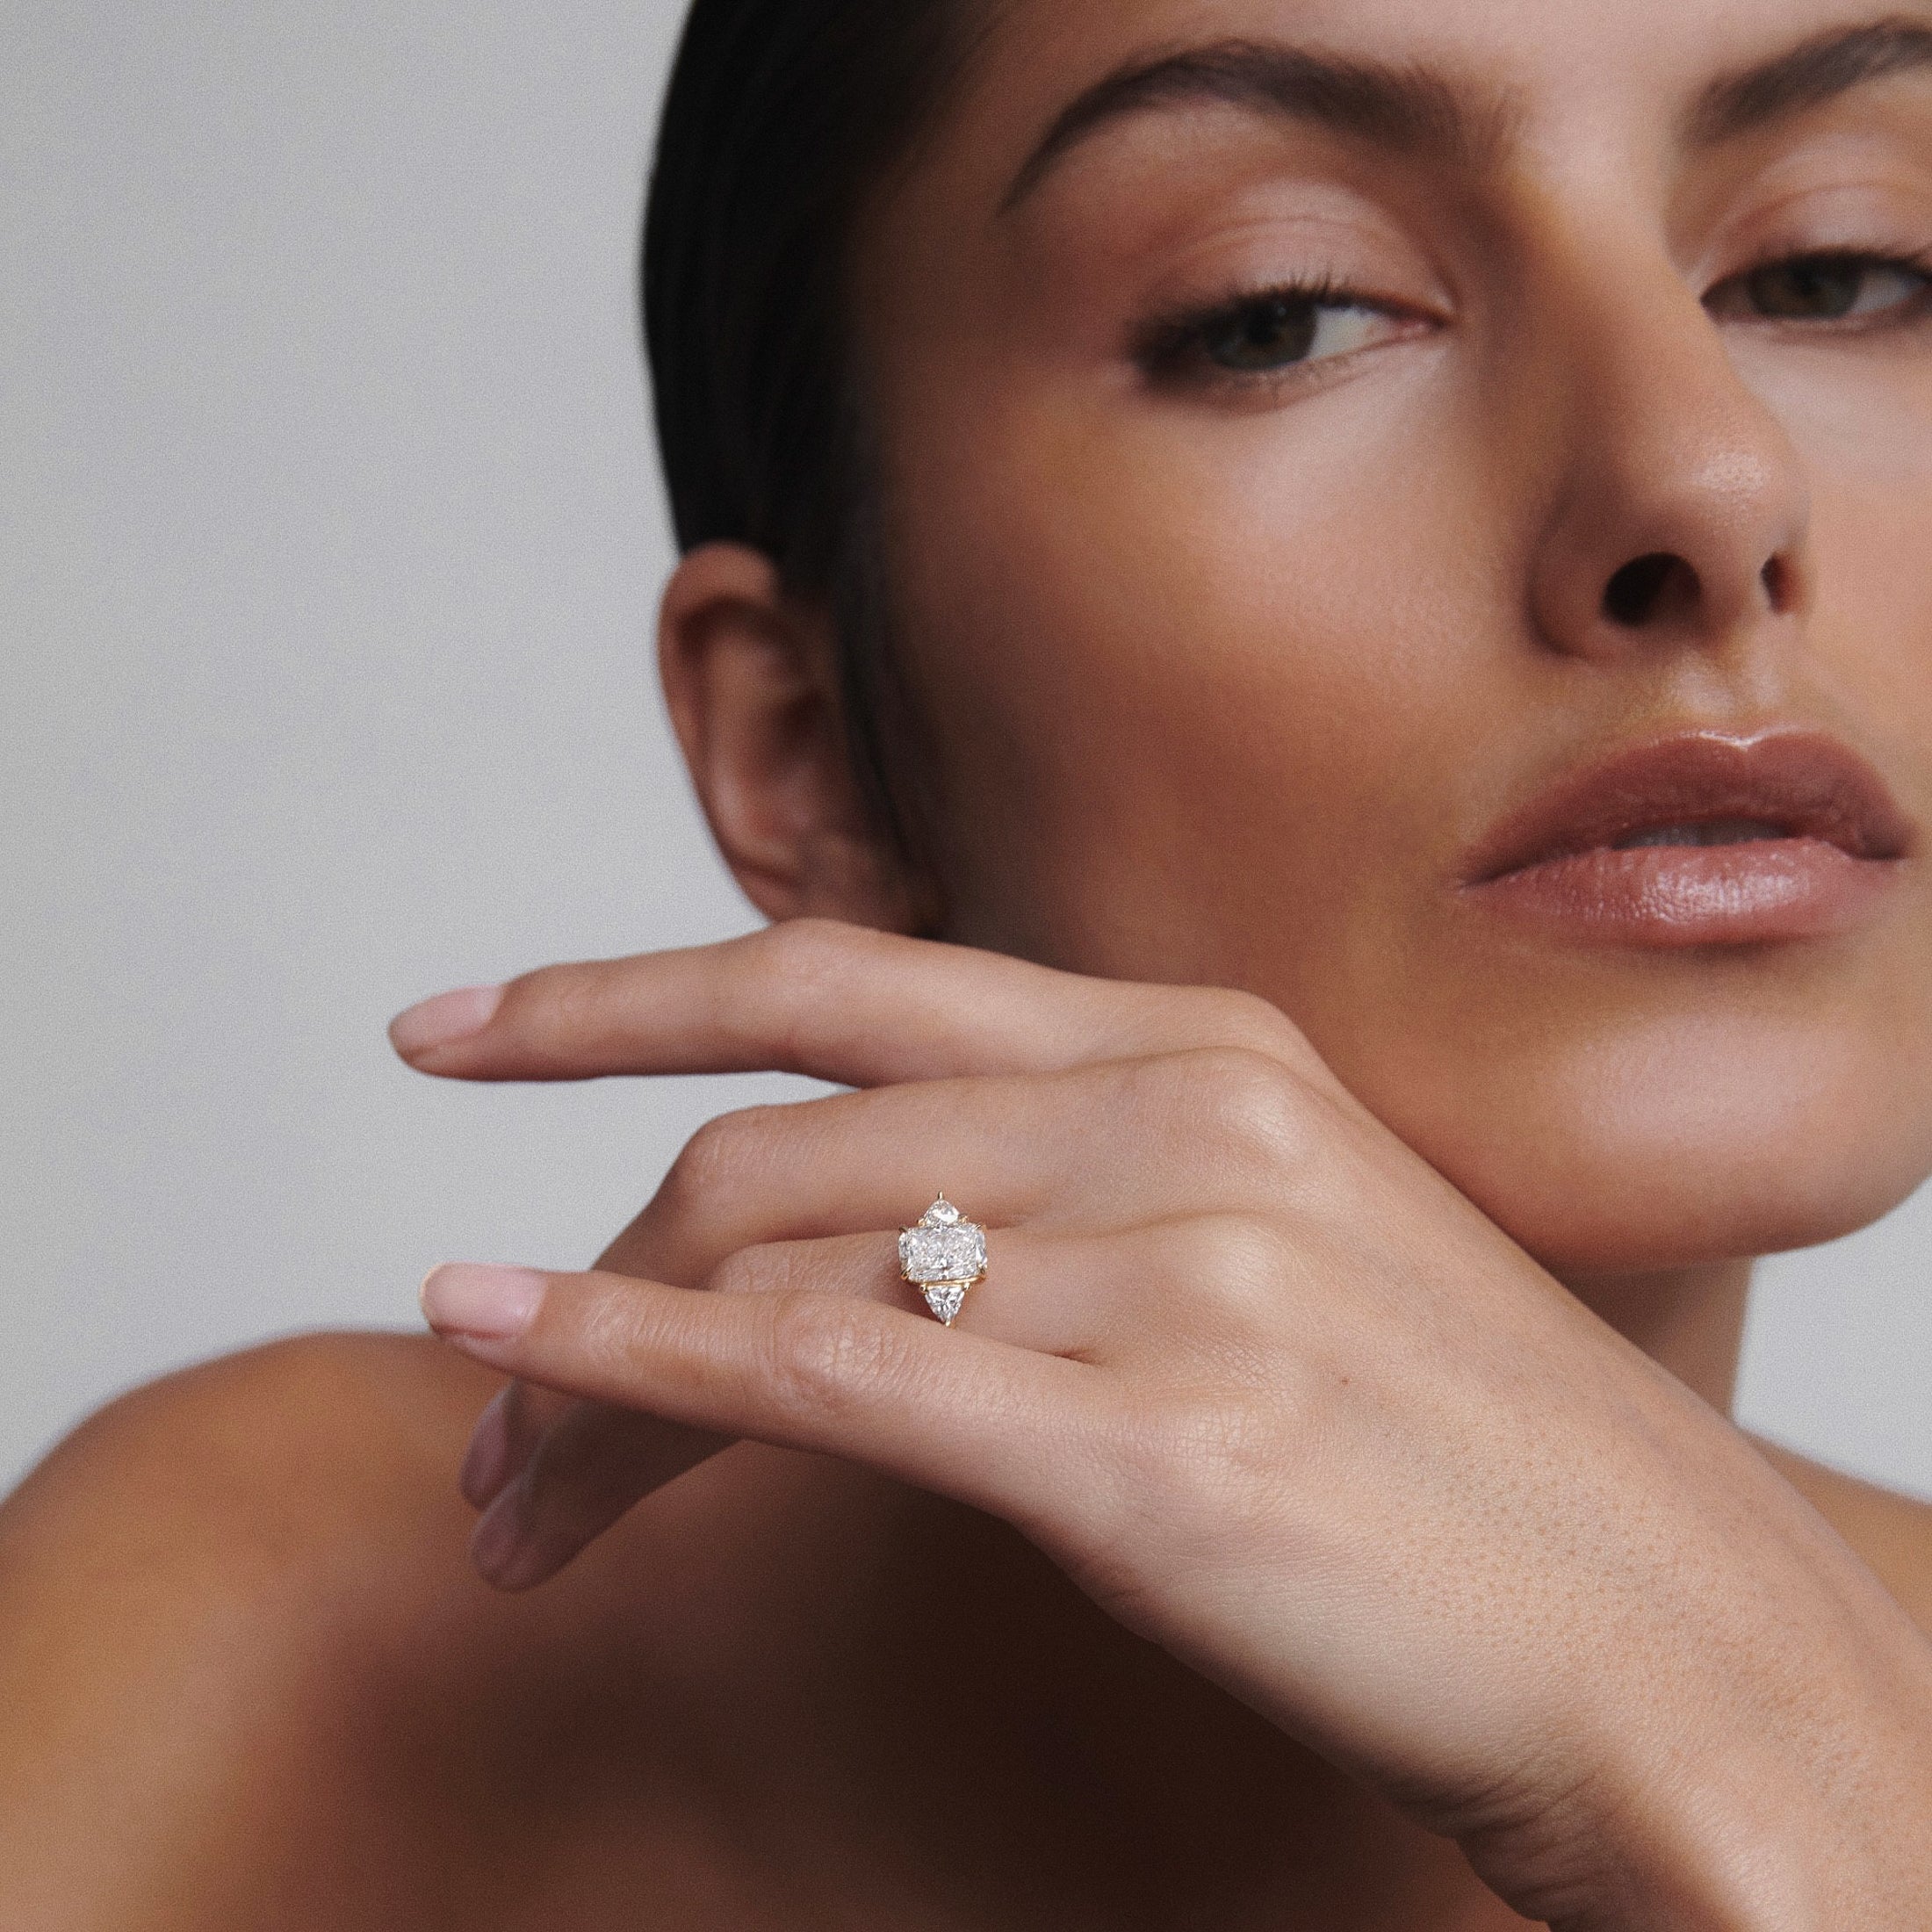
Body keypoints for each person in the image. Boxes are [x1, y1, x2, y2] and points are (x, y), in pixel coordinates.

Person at [4, 0, 1930, 1922]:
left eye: (1835, 271)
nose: (1705, 478)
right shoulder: (306, 1661)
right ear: (810, 741)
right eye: (1283, 310)